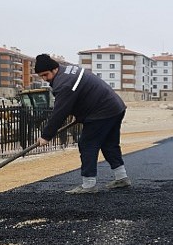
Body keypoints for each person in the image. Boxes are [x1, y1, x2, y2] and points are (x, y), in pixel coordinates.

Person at [34, 54, 131, 194]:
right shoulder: (67, 71)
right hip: (115, 107)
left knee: (87, 144)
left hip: (102, 111)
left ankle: (89, 185)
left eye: (45, 75)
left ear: (54, 69)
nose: (44, 79)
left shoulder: (64, 83)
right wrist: (80, 116)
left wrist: (46, 136)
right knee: (109, 144)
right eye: (41, 76)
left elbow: (60, 112)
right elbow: (81, 96)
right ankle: (122, 178)